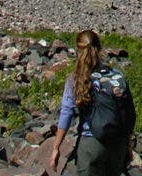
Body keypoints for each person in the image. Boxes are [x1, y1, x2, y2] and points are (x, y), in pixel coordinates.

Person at [48, 30, 134, 176]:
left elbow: (67, 113)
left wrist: (56, 147)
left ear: (78, 50)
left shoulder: (76, 78)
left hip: (91, 142)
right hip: (117, 144)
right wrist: (128, 145)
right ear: (99, 48)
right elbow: (126, 112)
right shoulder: (116, 76)